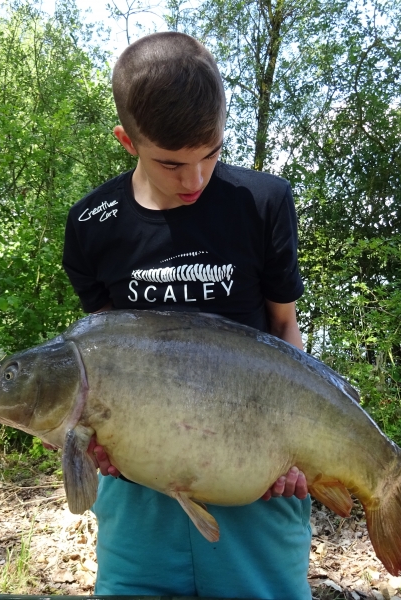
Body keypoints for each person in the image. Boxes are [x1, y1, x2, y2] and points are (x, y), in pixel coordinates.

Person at [61, 31, 312, 599]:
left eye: (211, 153)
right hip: (140, 490)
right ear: (128, 141)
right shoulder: (92, 226)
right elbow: (102, 359)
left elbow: (283, 329)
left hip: (255, 480)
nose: (194, 179)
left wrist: (295, 446)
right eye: (171, 163)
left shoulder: (262, 201)